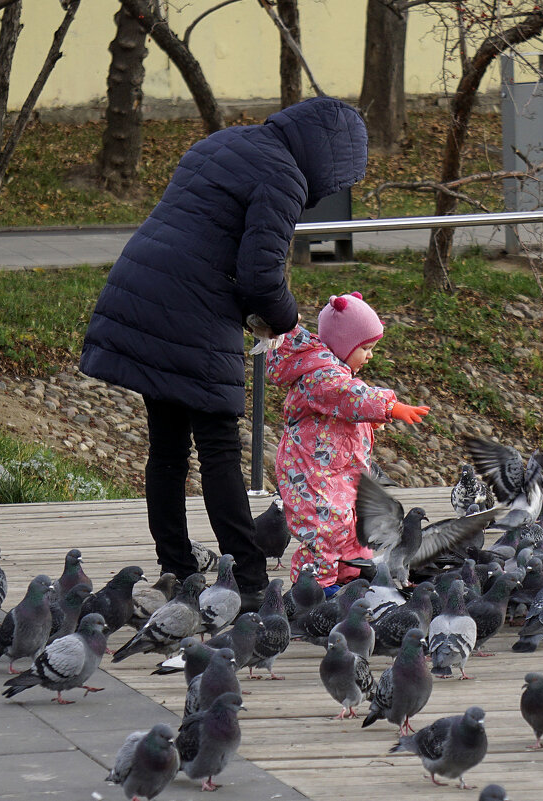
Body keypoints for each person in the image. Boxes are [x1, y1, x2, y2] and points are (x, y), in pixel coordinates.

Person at [79, 97, 369, 610]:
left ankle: (177, 567)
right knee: (217, 447)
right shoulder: (284, 178)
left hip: (140, 286)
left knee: (167, 448)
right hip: (192, 309)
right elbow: (260, 276)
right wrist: (287, 321)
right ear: (329, 159)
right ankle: (252, 580)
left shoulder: (224, 141)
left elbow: (205, 236)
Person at [266, 292, 429, 593]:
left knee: (351, 524)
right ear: (343, 344)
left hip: (336, 470)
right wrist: (390, 407)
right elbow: (350, 395)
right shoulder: (322, 376)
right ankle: (314, 587)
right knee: (324, 530)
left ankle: (349, 574)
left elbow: (341, 408)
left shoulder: (333, 371)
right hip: (311, 473)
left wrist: (368, 420)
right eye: (365, 348)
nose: (370, 355)